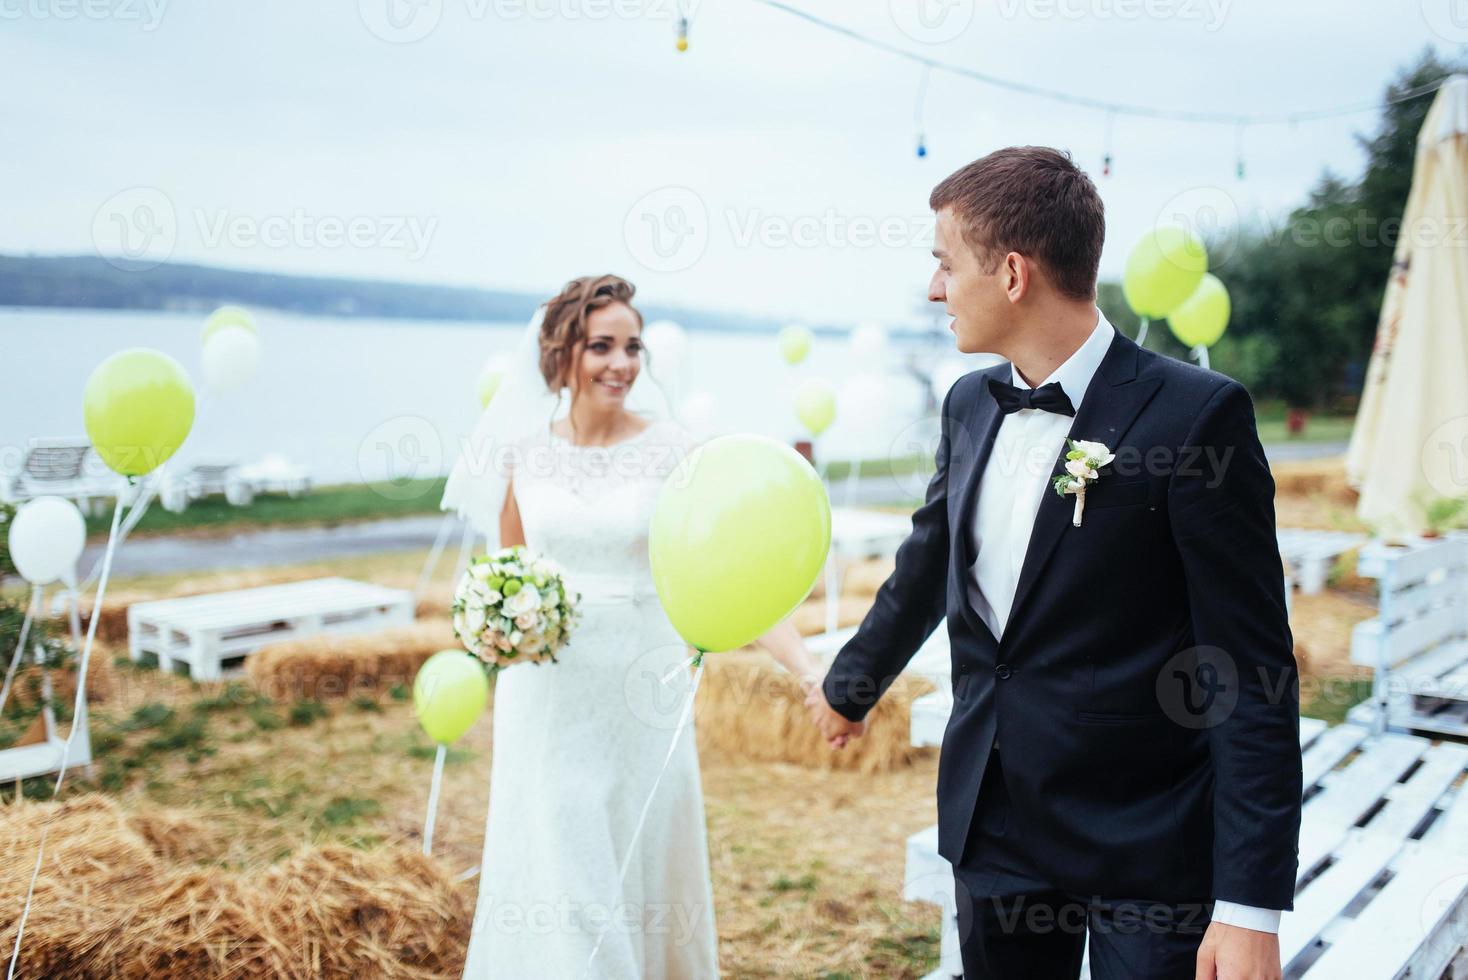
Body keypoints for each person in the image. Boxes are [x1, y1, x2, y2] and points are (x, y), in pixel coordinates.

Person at [805, 147, 1301, 980]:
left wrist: (1250, 906)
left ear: (1010, 274)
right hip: (993, 822)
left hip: (1149, 845)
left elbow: (1250, 669)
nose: (934, 290)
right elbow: (929, 562)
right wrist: (851, 686)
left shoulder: (1198, 416)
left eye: (943, 264)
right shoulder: (968, 405)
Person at [446, 274, 819, 979]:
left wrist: (804, 667)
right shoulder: (522, 452)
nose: (621, 364)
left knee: (633, 847)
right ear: (563, 353)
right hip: (546, 691)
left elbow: (734, 570)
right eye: (601, 346)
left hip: (640, 684)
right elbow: (511, 568)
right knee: (562, 855)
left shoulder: (674, 451)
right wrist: (496, 623)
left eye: (632, 347)